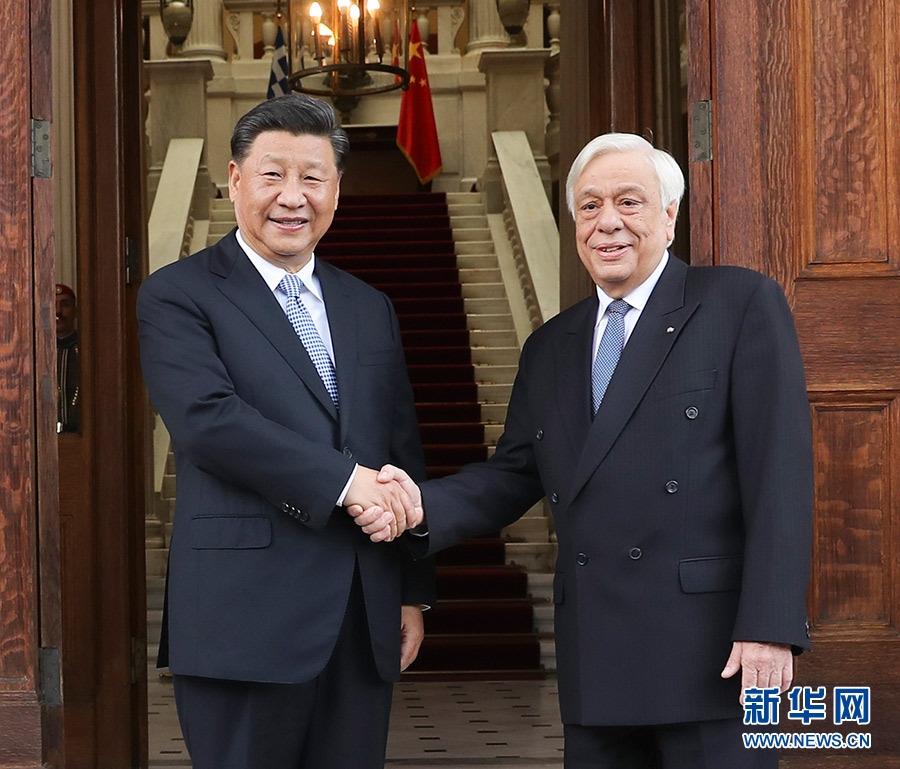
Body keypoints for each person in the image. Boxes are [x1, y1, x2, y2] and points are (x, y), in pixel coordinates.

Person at [354, 133, 813, 768]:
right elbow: (512, 475)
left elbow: (779, 478)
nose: (608, 222)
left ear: (669, 216)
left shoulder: (737, 304)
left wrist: (770, 626)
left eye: (629, 201)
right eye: (590, 206)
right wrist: (416, 505)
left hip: (715, 654)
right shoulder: (550, 347)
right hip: (597, 656)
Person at [137, 94, 433, 769]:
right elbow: (208, 421)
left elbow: (400, 450)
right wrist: (346, 482)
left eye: (313, 178)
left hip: (361, 612)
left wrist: (411, 587)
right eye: (273, 175)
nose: (292, 197)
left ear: (337, 189)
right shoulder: (179, 294)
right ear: (236, 180)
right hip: (242, 618)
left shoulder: (369, 306)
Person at [56, 283, 80, 433]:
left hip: (80, 434)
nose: (58, 311)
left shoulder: (87, 351)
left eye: (65, 305)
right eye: (53, 304)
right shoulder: (35, 353)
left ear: (75, 310)